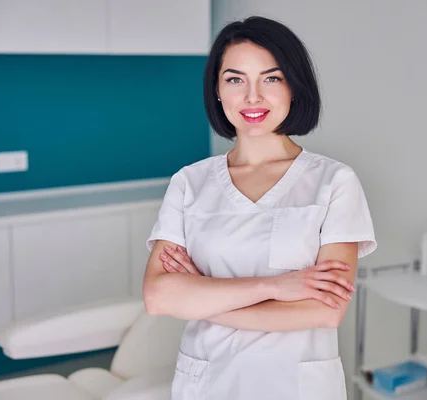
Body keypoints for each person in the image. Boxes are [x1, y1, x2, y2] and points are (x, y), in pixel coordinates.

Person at [143, 16, 377, 400]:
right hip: (208, 381)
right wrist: (277, 286)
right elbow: (158, 296)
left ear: (294, 87)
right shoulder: (189, 183)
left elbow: (323, 312)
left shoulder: (335, 182)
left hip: (294, 385)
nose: (252, 97)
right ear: (217, 90)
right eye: (235, 79)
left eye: (271, 78)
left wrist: (201, 299)